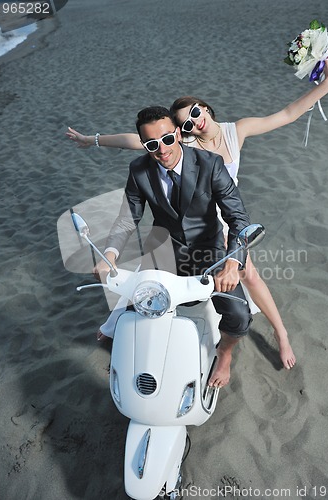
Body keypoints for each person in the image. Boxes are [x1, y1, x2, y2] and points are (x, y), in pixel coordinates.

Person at [66, 56, 328, 369]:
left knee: (246, 274)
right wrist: (92, 140)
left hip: (222, 217)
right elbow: (136, 145)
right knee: (144, 279)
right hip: (180, 221)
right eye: (186, 123)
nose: (195, 122)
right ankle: (118, 325)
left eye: (195, 113)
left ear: (204, 108)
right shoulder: (174, 145)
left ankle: (278, 334)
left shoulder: (235, 132)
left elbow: (288, 113)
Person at [94, 105, 252, 388]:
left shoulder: (210, 163)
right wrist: (109, 255)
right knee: (137, 311)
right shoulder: (139, 169)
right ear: (144, 144)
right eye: (152, 144)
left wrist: (232, 263)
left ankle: (225, 353)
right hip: (164, 249)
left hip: (210, 251)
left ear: (178, 133)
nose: (163, 150)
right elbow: (127, 219)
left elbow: (238, 217)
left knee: (240, 315)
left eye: (167, 139)